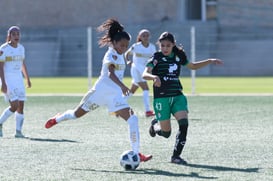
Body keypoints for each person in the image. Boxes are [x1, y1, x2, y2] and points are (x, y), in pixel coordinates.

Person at [45, 19, 152, 162]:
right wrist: (122, 86)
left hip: (115, 97)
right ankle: (57, 118)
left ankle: (136, 153)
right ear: (114, 43)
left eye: (126, 46)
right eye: (121, 45)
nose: (124, 48)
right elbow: (110, 74)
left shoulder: (121, 54)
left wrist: (120, 90)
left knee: (133, 119)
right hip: (99, 93)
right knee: (76, 114)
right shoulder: (111, 54)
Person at [142, 32, 223, 164]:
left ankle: (176, 156)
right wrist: (154, 77)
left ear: (173, 45)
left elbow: (193, 66)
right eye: (162, 46)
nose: (165, 48)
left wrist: (210, 61)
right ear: (159, 45)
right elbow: (145, 73)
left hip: (177, 96)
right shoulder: (156, 57)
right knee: (166, 133)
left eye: (168, 45)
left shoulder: (179, 56)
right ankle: (155, 126)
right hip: (161, 98)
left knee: (184, 124)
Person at [0, 26, 31, 138]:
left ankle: (18, 132)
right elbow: (1, 67)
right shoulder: (4, 49)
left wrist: (27, 78)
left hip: (18, 79)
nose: (17, 36)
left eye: (18, 34)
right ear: (9, 36)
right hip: (8, 80)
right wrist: (3, 83)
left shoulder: (21, 48)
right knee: (14, 105)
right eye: (14, 34)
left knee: (21, 106)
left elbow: (22, 63)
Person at [125, 29, 156, 117]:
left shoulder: (152, 47)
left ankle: (118, 104)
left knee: (132, 91)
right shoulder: (136, 46)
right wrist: (128, 61)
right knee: (146, 89)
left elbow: (154, 59)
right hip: (136, 70)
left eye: (147, 35)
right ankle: (147, 111)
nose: (146, 37)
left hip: (144, 70)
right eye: (143, 35)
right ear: (140, 37)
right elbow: (127, 54)